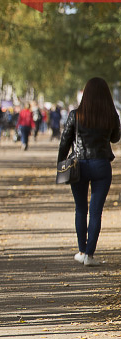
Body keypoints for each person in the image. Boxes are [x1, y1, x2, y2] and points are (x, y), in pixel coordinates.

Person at [57, 78, 120, 266]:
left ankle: (81, 250)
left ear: (85, 94)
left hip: (79, 166)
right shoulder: (111, 116)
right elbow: (116, 138)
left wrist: (61, 163)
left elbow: (64, 141)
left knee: (81, 208)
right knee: (96, 211)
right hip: (102, 165)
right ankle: (89, 255)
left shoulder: (76, 115)